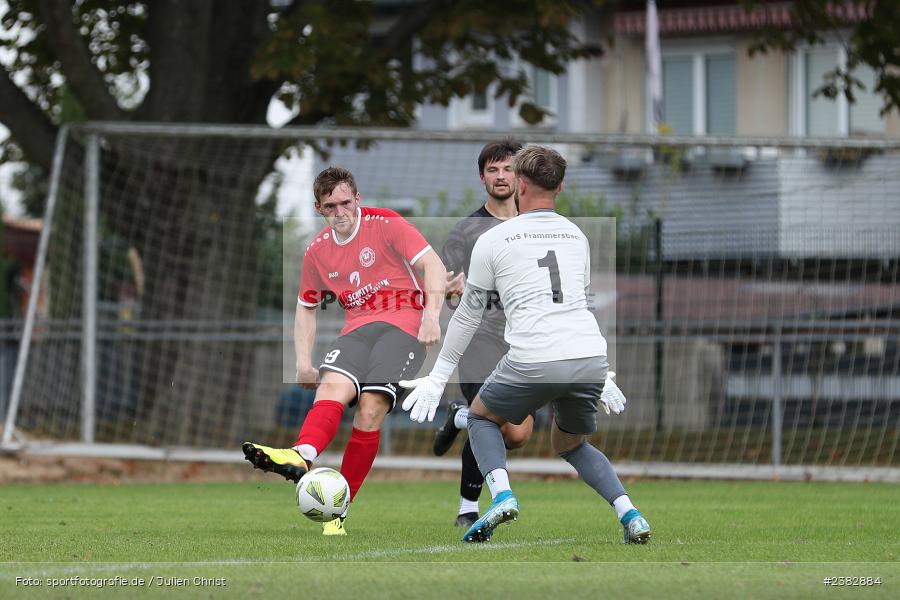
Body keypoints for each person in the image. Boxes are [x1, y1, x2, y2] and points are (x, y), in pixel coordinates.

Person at [400, 146, 651, 544]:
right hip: (586, 358)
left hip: (532, 358)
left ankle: (500, 495)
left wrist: (436, 377)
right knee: (570, 443)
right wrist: (604, 375)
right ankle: (630, 514)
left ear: (520, 183)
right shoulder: (577, 235)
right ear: (561, 185)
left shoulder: (495, 238)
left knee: (481, 418)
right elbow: (580, 307)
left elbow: (465, 315)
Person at [243, 166, 446, 535]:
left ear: (358, 200)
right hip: (358, 331)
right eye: (331, 206)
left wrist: (432, 316)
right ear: (319, 208)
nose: (341, 212)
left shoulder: (386, 224)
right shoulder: (317, 251)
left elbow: (432, 265)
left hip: (404, 327)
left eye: (346, 203)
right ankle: (300, 456)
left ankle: (338, 509)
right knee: (331, 387)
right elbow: (306, 306)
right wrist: (303, 363)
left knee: (368, 410)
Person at [434, 139, 535, 529]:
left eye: (508, 168)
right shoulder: (466, 232)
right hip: (479, 341)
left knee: (518, 434)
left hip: (525, 343)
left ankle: (459, 417)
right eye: (493, 170)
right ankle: (468, 509)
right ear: (482, 177)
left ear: (520, 175)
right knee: (490, 422)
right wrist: (451, 292)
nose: (501, 176)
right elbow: (445, 288)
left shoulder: (536, 226)